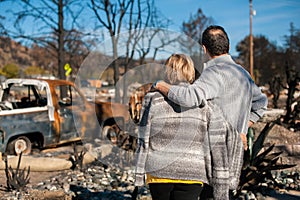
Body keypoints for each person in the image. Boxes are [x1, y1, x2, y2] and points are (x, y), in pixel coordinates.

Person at [135, 53, 236, 200]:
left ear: (168, 73)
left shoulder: (152, 99)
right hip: (193, 172)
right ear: (190, 72)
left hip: (159, 172)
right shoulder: (206, 103)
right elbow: (217, 146)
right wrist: (221, 188)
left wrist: (138, 175)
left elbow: (143, 139)